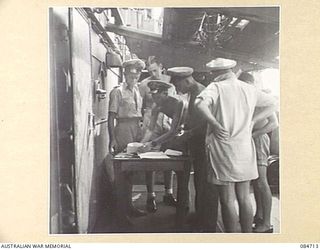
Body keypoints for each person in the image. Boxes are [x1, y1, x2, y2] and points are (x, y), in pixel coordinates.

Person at [194, 58, 278, 233]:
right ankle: (246, 238)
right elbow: (273, 103)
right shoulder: (248, 88)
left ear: (216, 74)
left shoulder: (216, 87)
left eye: (212, 74)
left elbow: (199, 104)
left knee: (227, 199)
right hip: (245, 147)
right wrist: (253, 121)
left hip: (223, 148)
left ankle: (232, 240)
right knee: (244, 197)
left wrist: (215, 124)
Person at [166, 67, 218, 232]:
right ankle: (200, 217)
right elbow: (193, 118)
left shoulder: (202, 92)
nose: (179, 90)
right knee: (199, 183)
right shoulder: (192, 92)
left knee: (205, 184)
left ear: (187, 80)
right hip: (196, 143)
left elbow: (206, 122)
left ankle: (207, 224)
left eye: (179, 86)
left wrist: (188, 133)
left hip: (204, 143)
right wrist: (184, 129)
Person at [108, 58, 147, 226]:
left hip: (135, 130)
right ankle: (120, 214)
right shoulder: (117, 91)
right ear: (125, 73)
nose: (135, 75)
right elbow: (111, 118)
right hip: (123, 129)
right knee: (121, 173)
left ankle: (129, 206)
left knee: (131, 173)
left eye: (138, 72)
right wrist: (112, 138)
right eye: (132, 72)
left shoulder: (138, 90)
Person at [238, 71, 279, 233]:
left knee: (262, 182)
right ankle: (259, 215)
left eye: (248, 86)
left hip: (259, 139)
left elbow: (274, 124)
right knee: (254, 181)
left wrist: (253, 135)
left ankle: (267, 223)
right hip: (249, 140)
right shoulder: (246, 99)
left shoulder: (261, 98)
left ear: (252, 84)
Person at [139, 56, 177, 212]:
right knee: (150, 159)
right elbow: (142, 106)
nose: (153, 73)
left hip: (168, 122)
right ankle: (151, 196)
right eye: (150, 71)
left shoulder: (171, 83)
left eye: (155, 69)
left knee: (169, 158)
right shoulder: (144, 84)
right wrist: (144, 141)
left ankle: (168, 193)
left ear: (161, 66)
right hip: (151, 120)